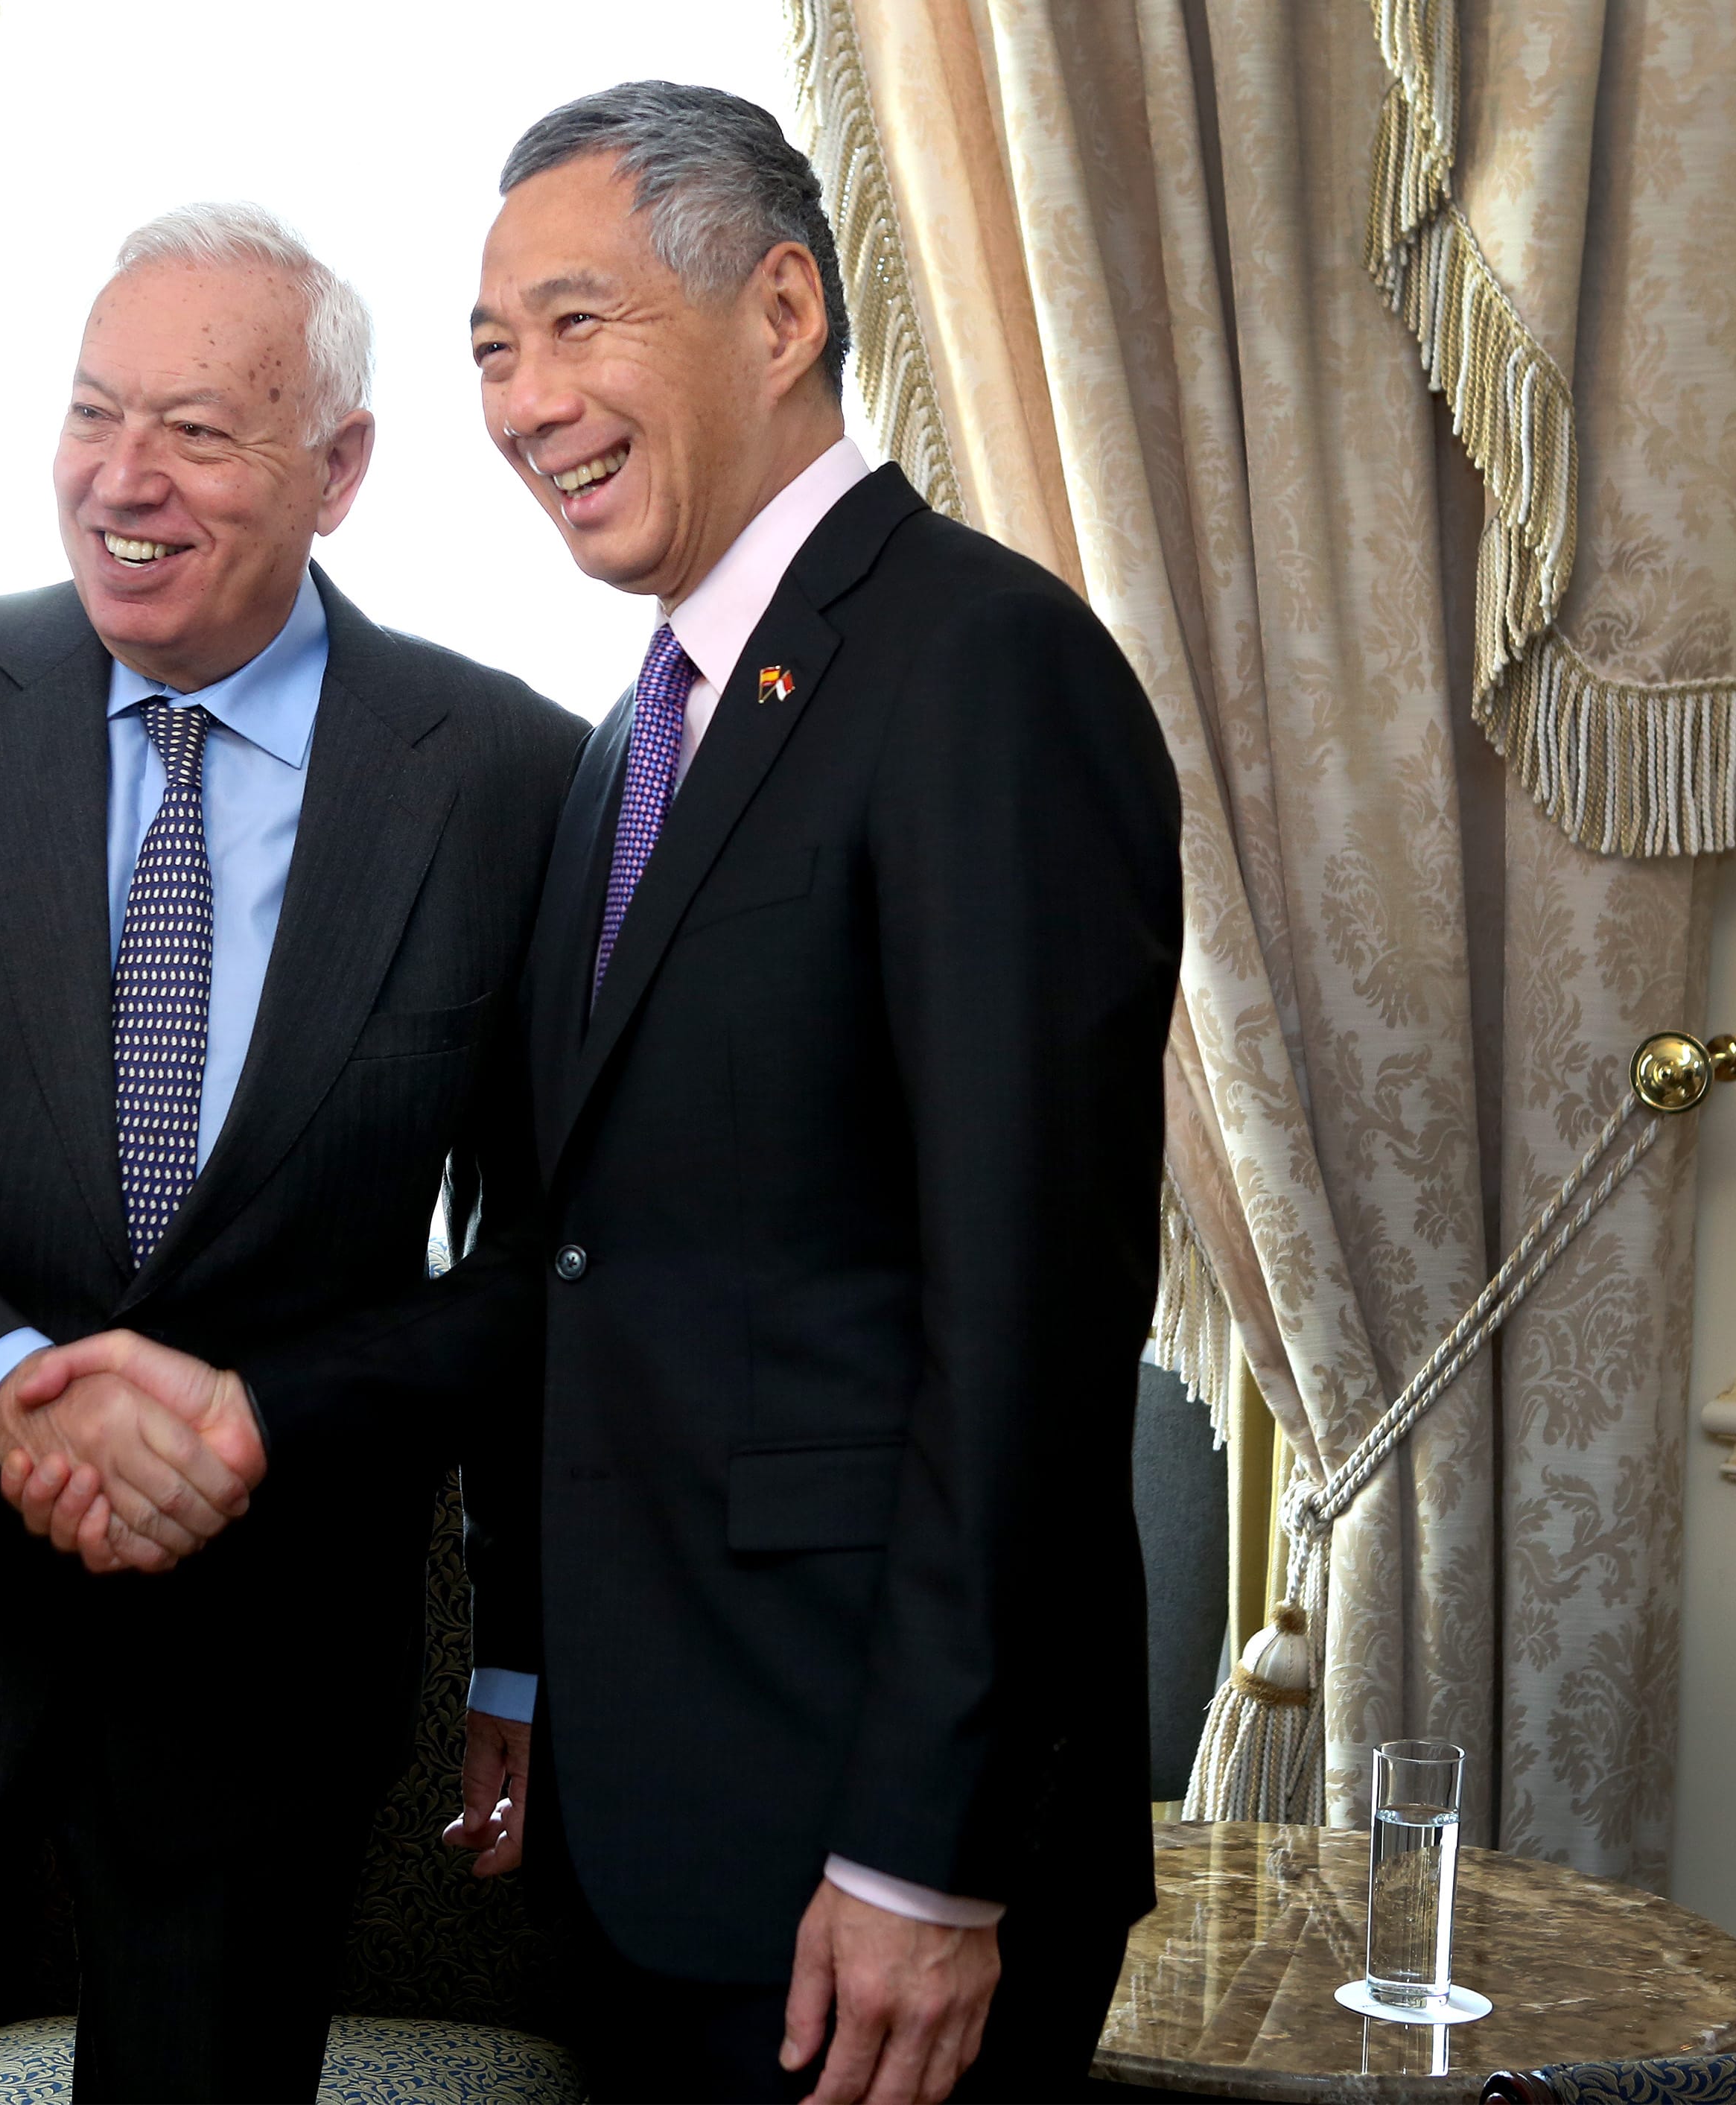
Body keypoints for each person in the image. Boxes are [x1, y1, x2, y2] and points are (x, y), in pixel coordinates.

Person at [0, 203, 584, 2103]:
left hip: (258, 1673)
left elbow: (536, 1263)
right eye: (92, 415)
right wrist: (8, 1401)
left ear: (337, 470)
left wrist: (510, 1646)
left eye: (195, 429)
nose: (121, 481)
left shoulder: (504, 775)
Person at [444, 81, 1182, 2105]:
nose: (523, 402)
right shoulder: (633, 742)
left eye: (577, 325)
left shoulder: (984, 672)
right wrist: (525, 1671)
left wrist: (924, 1858)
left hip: (868, 1848)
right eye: (491, 350)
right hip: (649, 1812)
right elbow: (582, 1255)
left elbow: (1028, 1320)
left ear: (781, 312)